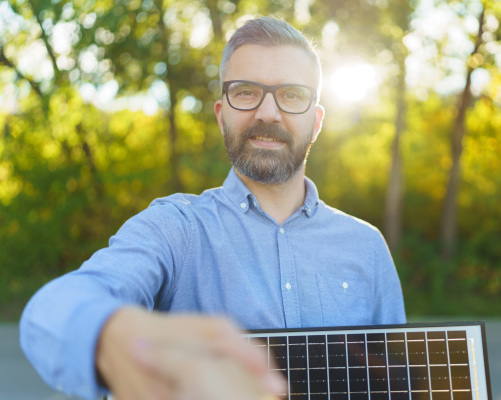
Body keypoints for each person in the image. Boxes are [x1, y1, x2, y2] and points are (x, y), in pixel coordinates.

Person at [20, 16, 406, 400]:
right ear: (222, 116)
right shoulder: (177, 228)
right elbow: (53, 311)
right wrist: (112, 336)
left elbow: (398, 382)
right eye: (245, 91)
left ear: (316, 122)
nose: (268, 113)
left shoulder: (366, 246)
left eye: (292, 94)